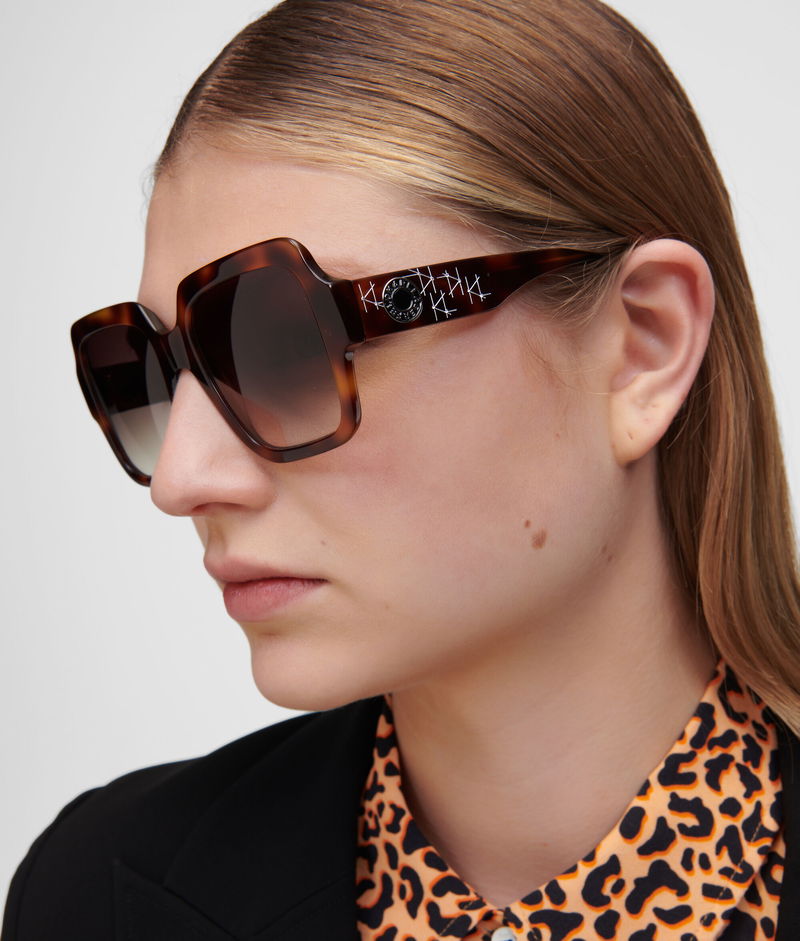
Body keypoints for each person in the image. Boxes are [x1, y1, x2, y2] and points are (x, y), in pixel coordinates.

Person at [4, 0, 800, 938]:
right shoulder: (88, 898)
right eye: (146, 372)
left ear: (641, 348)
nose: (182, 478)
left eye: (285, 344)